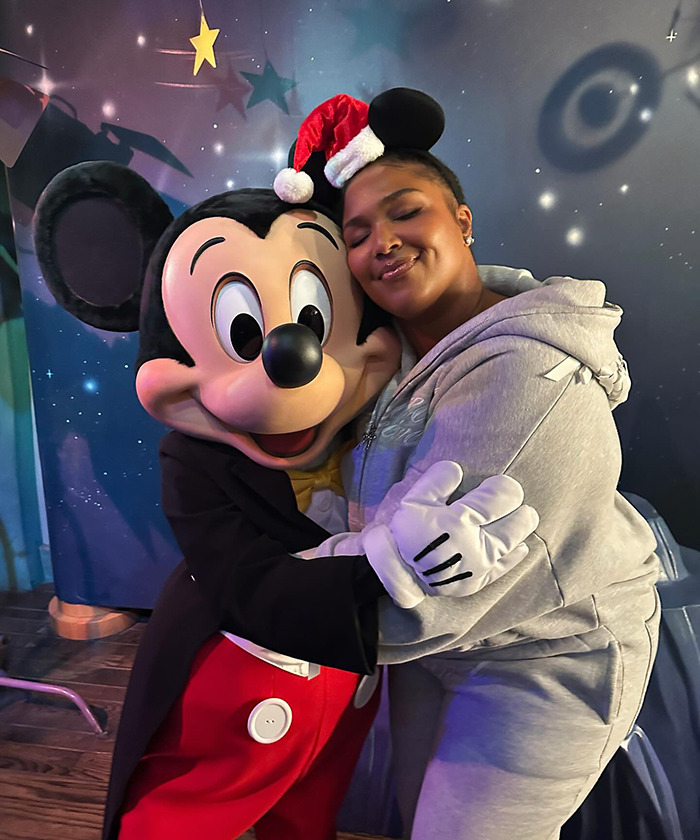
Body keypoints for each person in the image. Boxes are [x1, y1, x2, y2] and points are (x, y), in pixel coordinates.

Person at [33, 166, 537, 840]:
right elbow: (242, 580)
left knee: (309, 807)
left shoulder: (385, 418)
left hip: (345, 685)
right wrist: (384, 567)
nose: (290, 356)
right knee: (187, 810)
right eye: (244, 333)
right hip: (242, 672)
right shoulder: (192, 461)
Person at [273, 88, 661, 839]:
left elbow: (430, 591)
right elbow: (370, 507)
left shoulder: (524, 376)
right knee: (416, 816)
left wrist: (261, 599)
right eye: (355, 233)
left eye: (405, 211)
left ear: (462, 219)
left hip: (550, 653)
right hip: (442, 649)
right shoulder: (397, 359)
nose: (380, 241)